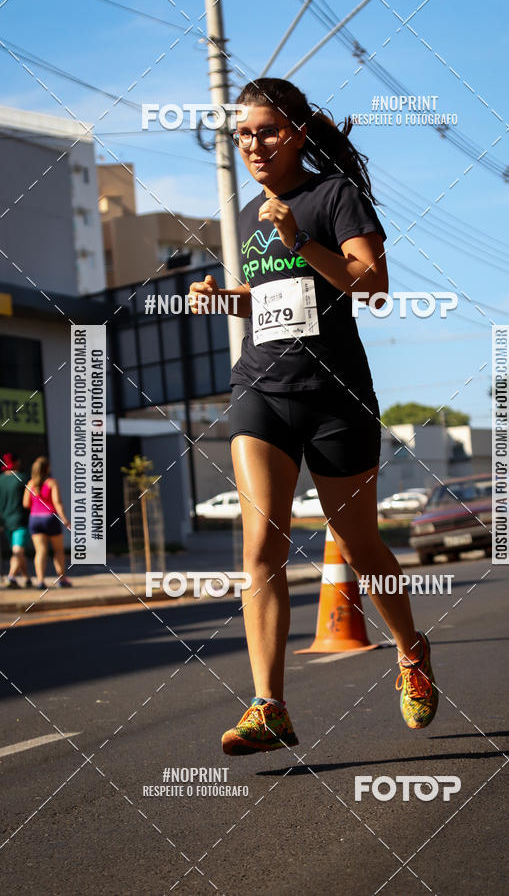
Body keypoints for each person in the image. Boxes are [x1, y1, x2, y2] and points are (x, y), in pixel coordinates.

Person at [188, 78, 437, 756]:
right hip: (261, 388)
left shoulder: (334, 196)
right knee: (260, 546)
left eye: (267, 131)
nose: (253, 145)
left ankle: (410, 652)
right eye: (243, 134)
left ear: (297, 132)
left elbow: (373, 285)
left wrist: (299, 238)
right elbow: (271, 295)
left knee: (359, 546)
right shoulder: (249, 213)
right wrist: (225, 298)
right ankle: (269, 706)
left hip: (335, 396)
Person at [23, 456, 72, 589]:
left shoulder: (30, 484)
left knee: (40, 551)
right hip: (50, 518)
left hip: (34, 519)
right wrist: (65, 519)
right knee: (58, 551)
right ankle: (62, 580)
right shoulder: (52, 483)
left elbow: (26, 503)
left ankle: (40, 581)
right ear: (47, 468)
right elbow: (57, 502)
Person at [0, 453, 32, 589]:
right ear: (16, 462)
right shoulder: (22, 478)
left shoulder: (0, 479)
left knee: (18, 551)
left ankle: (26, 578)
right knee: (18, 551)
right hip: (20, 521)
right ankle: (11, 577)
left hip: (5, 522)